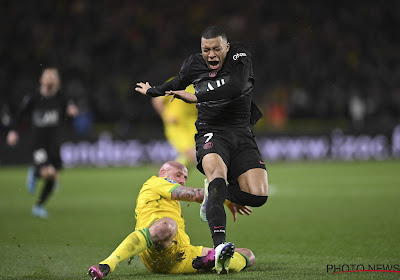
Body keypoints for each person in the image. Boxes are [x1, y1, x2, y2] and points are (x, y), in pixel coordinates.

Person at [135, 26, 269, 262]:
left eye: (216, 49)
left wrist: (197, 97)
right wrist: (153, 91)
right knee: (217, 176)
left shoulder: (240, 55)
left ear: (226, 47)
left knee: (258, 196)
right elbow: (178, 81)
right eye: (206, 49)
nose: (211, 54)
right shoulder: (194, 64)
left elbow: (236, 86)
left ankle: (215, 193)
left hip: (241, 132)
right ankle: (220, 249)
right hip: (211, 133)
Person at [88, 161, 255, 279]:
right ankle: (107, 265)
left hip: (181, 256)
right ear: (163, 173)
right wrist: (226, 198)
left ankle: (211, 261)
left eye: (185, 177)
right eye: (178, 175)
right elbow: (194, 195)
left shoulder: (171, 201)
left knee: (248, 255)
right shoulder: (155, 183)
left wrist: (224, 200)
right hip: (154, 248)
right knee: (167, 226)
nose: (182, 180)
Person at [6, 67, 78, 218]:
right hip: (38, 144)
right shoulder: (33, 98)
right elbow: (21, 115)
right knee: (48, 172)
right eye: (48, 76)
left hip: (54, 144)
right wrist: (14, 131)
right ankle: (35, 172)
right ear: (41, 79)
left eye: (54, 76)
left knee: (54, 176)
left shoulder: (61, 97)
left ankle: (38, 206)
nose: (51, 78)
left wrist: (72, 110)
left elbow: (70, 107)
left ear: (58, 81)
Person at [151, 79, 197, 166]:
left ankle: (169, 176)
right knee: (191, 154)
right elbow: (157, 99)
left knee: (192, 155)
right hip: (177, 125)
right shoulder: (176, 83)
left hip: (193, 125)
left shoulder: (201, 85)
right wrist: (166, 115)